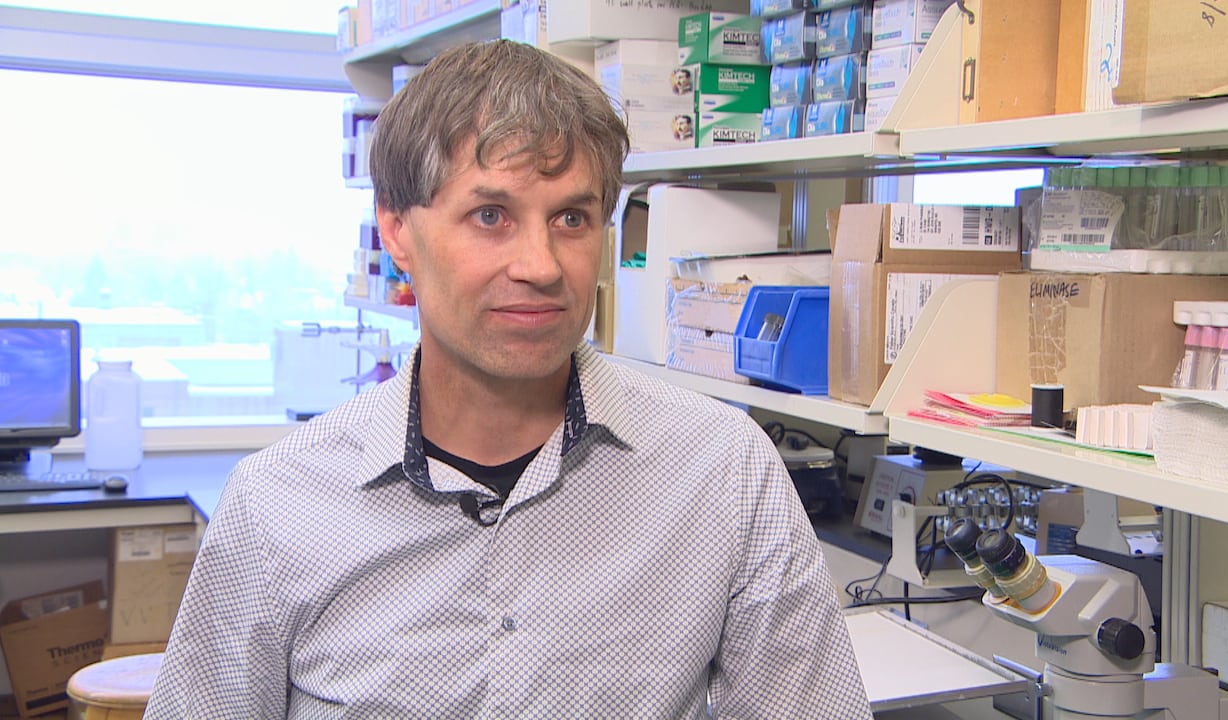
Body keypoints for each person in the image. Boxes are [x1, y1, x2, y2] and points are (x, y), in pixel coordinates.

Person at [145, 39, 871, 719]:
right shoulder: (278, 508)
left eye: (572, 218)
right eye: (491, 215)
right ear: (397, 231)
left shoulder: (721, 471)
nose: (542, 265)